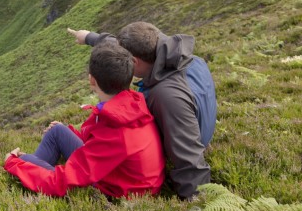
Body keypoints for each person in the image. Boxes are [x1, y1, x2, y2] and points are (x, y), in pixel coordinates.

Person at [67, 22, 217, 199]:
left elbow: (189, 158)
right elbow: (124, 50)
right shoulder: (188, 59)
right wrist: (90, 37)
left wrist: (200, 207)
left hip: (169, 150)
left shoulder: (167, 97)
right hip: (193, 127)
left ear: (134, 62)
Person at [3, 41, 165, 198]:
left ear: (91, 80)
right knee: (57, 131)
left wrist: (14, 163)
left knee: (23, 161)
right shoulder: (131, 104)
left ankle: (31, 173)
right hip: (123, 177)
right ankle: (35, 170)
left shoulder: (116, 131)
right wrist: (72, 133)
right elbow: (102, 142)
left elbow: (61, 182)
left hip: (116, 193)